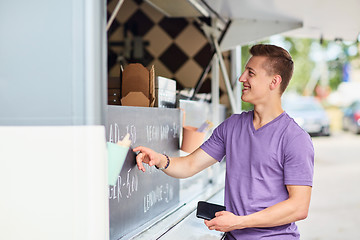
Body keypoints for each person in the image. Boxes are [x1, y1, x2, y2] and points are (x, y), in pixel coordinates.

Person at [133, 44, 314, 240]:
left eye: (250, 73)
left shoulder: (295, 138)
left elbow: (298, 207)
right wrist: (159, 159)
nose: (241, 78)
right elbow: (190, 164)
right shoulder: (232, 126)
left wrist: (238, 222)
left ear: (274, 81)